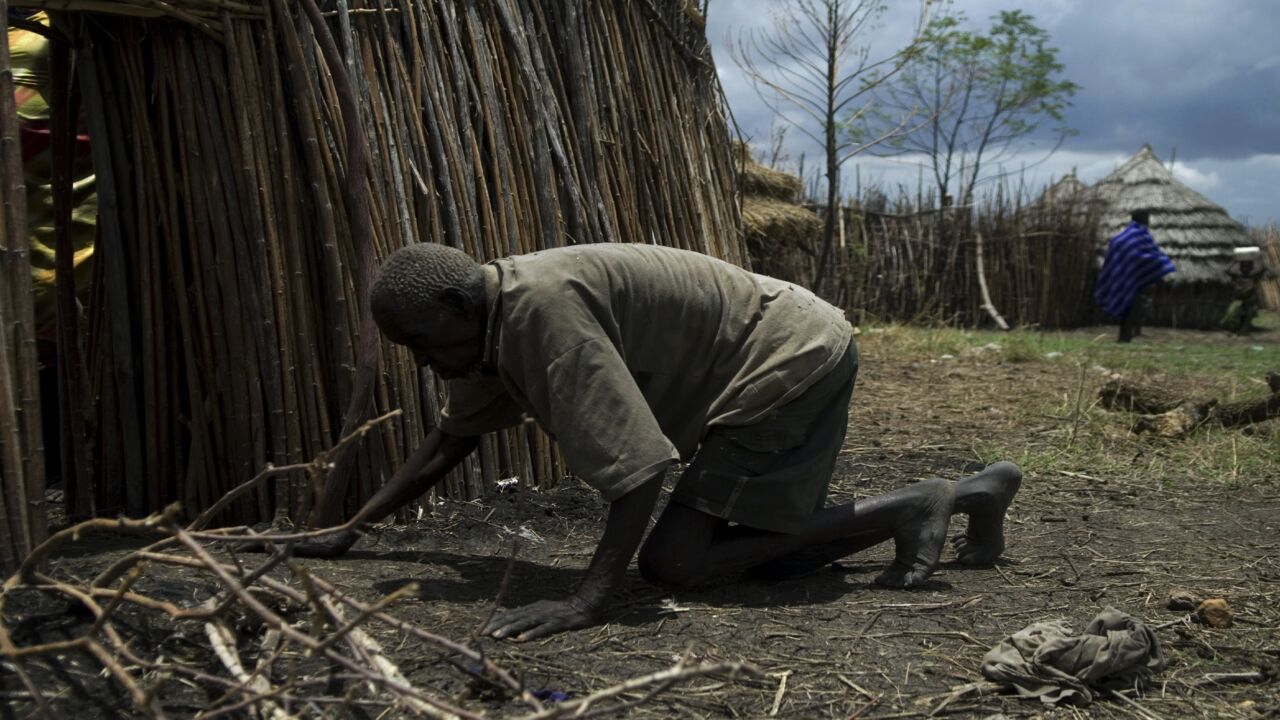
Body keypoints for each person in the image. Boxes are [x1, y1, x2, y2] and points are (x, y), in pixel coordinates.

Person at [281, 242, 1022, 641]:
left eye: (419, 341)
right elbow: (449, 440)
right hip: (768, 357)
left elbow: (638, 470)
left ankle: (913, 505)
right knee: (760, 555)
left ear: (453, 303)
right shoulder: (489, 323)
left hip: (788, 359)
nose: (419, 359)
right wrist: (349, 531)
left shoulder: (542, 317)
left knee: (676, 562)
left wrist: (588, 599)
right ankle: (950, 498)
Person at [1095, 210, 1175, 342]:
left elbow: (1114, 254)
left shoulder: (1121, 237)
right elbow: (1153, 256)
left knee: (1127, 308)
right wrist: (1161, 264)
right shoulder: (1142, 236)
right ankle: (1126, 337)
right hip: (1135, 280)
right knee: (1132, 309)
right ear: (1144, 221)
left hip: (1121, 278)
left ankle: (1124, 336)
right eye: (1147, 220)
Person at [1221, 249, 1276, 335]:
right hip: (1238, 297)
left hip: (1249, 297)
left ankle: (1243, 331)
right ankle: (1234, 329)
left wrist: (1261, 259)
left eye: (1247, 265)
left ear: (1251, 265)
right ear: (1240, 265)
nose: (1245, 267)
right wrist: (1234, 260)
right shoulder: (1239, 273)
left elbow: (1271, 273)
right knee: (1233, 312)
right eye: (1243, 265)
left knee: (1247, 314)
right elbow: (1226, 270)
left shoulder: (1253, 273)